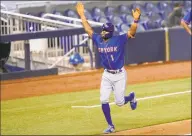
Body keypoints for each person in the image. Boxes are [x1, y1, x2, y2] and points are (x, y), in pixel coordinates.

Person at [76, 2, 141, 134]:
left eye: (105, 30)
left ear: (110, 33)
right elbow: (88, 30)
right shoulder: (98, 39)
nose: (103, 32)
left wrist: (135, 20)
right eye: (102, 30)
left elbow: (131, 32)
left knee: (120, 102)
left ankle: (131, 97)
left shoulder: (119, 39)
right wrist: (82, 15)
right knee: (103, 99)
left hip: (119, 75)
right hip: (106, 75)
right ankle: (111, 126)